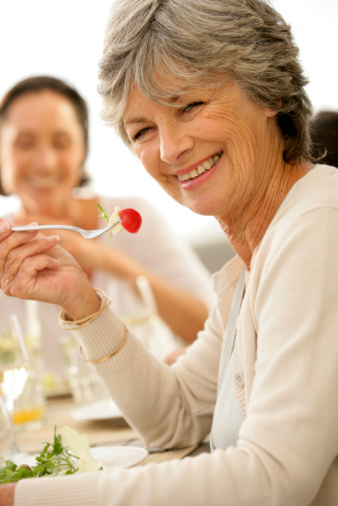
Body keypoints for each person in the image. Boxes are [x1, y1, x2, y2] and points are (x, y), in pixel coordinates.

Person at [0, 0, 337, 504]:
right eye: (143, 130)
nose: (170, 149)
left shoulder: (318, 230)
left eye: (189, 105)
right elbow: (177, 418)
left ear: (267, 90)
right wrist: (81, 301)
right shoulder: (257, 258)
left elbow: (273, 479)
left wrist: (24, 498)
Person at [0, 75, 215, 377]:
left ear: (82, 151)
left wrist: (109, 261)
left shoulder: (130, 218)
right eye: (25, 143)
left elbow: (213, 332)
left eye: (61, 142)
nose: (45, 162)